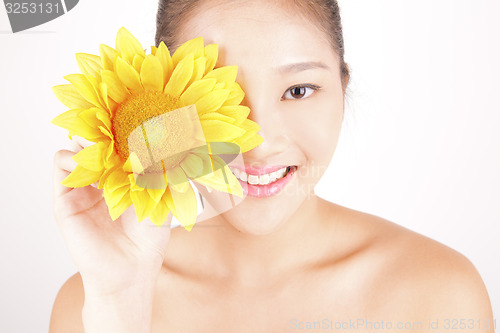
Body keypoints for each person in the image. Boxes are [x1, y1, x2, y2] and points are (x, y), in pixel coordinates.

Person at [49, 0, 494, 332]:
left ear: (342, 89)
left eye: (299, 90)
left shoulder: (438, 294)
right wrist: (120, 304)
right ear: (163, 106)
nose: (258, 141)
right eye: (222, 94)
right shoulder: (91, 304)